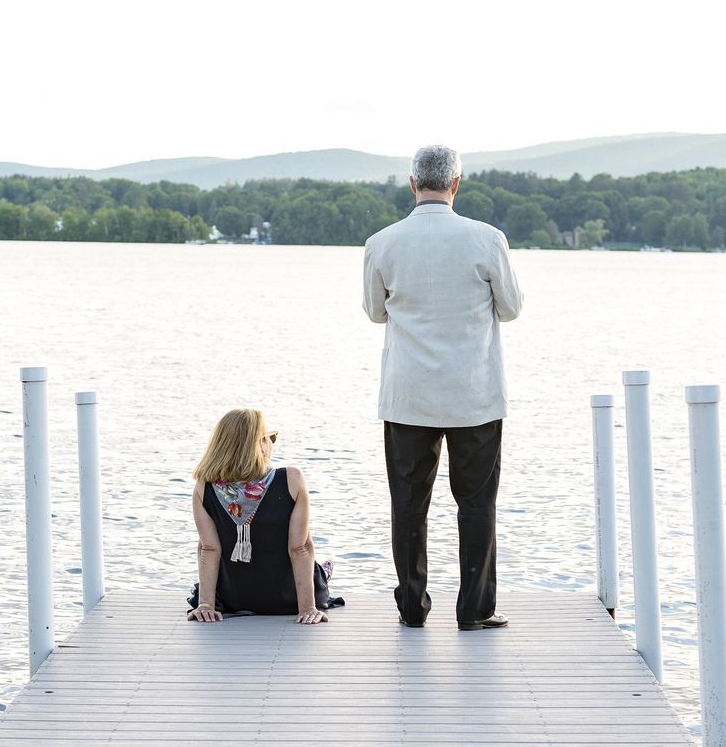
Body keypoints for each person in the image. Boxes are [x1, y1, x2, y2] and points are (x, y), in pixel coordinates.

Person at [362, 144, 524, 630]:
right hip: (473, 395)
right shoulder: (487, 239)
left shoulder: (382, 242)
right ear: (457, 184)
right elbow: (511, 308)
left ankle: (412, 606)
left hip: (407, 395)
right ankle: (474, 610)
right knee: (476, 505)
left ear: (413, 184)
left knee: (408, 506)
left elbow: (374, 312)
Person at [186, 408, 342, 624]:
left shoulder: (204, 487)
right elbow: (300, 548)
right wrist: (307, 608)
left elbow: (209, 549)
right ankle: (323, 574)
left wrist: (205, 605)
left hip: (232, 599)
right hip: (289, 599)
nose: (272, 444)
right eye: (270, 438)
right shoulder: (291, 479)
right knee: (315, 565)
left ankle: (321, 573)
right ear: (259, 444)